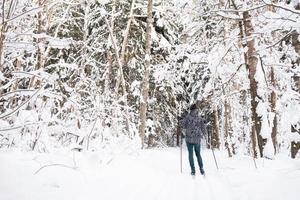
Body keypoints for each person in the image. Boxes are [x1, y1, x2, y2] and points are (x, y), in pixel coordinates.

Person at [180, 103, 206, 176]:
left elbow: (183, 126)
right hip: (197, 139)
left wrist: (180, 121)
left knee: (190, 155)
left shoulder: (187, 117)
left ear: (191, 109)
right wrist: (204, 134)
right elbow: (203, 128)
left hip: (189, 139)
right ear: (196, 109)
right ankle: (201, 168)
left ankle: (193, 170)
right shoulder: (200, 118)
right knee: (198, 154)